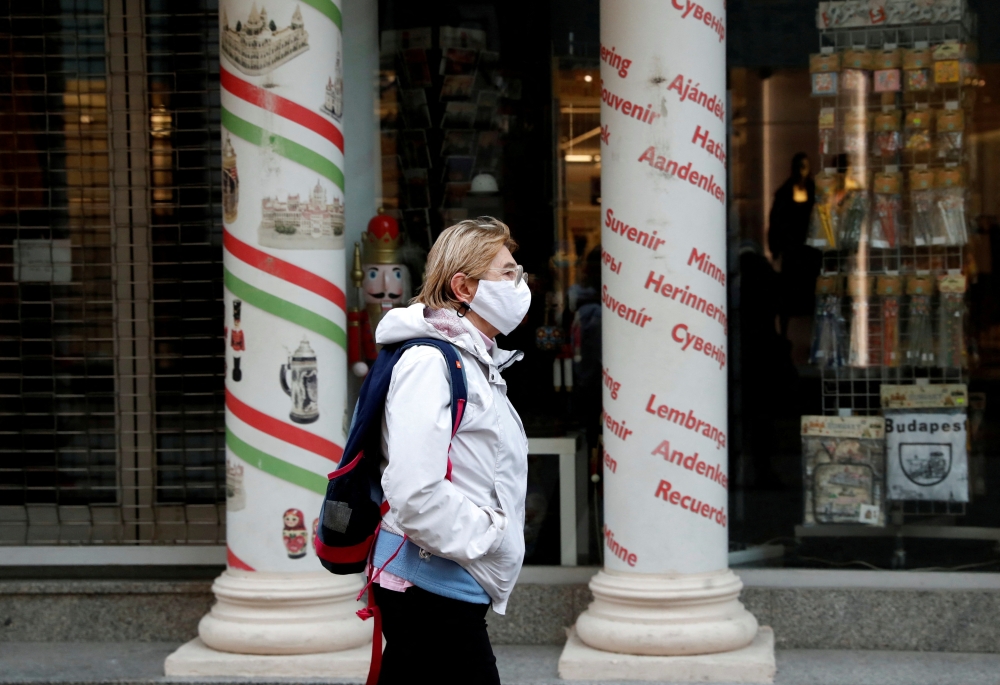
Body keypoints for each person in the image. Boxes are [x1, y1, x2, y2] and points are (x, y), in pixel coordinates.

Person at [370, 217, 530, 685]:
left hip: (443, 584)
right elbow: (413, 492)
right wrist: (492, 536)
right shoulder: (430, 361)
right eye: (506, 273)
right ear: (463, 286)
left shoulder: (473, 358)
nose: (520, 283)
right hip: (429, 586)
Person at [768, 152, 821, 337]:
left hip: (810, 253)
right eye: (798, 166)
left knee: (812, 295)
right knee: (787, 296)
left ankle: (816, 338)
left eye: (804, 166)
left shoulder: (815, 192)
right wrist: (776, 248)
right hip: (792, 252)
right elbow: (775, 221)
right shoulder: (783, 194)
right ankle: (783, 334)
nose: (801, 171)